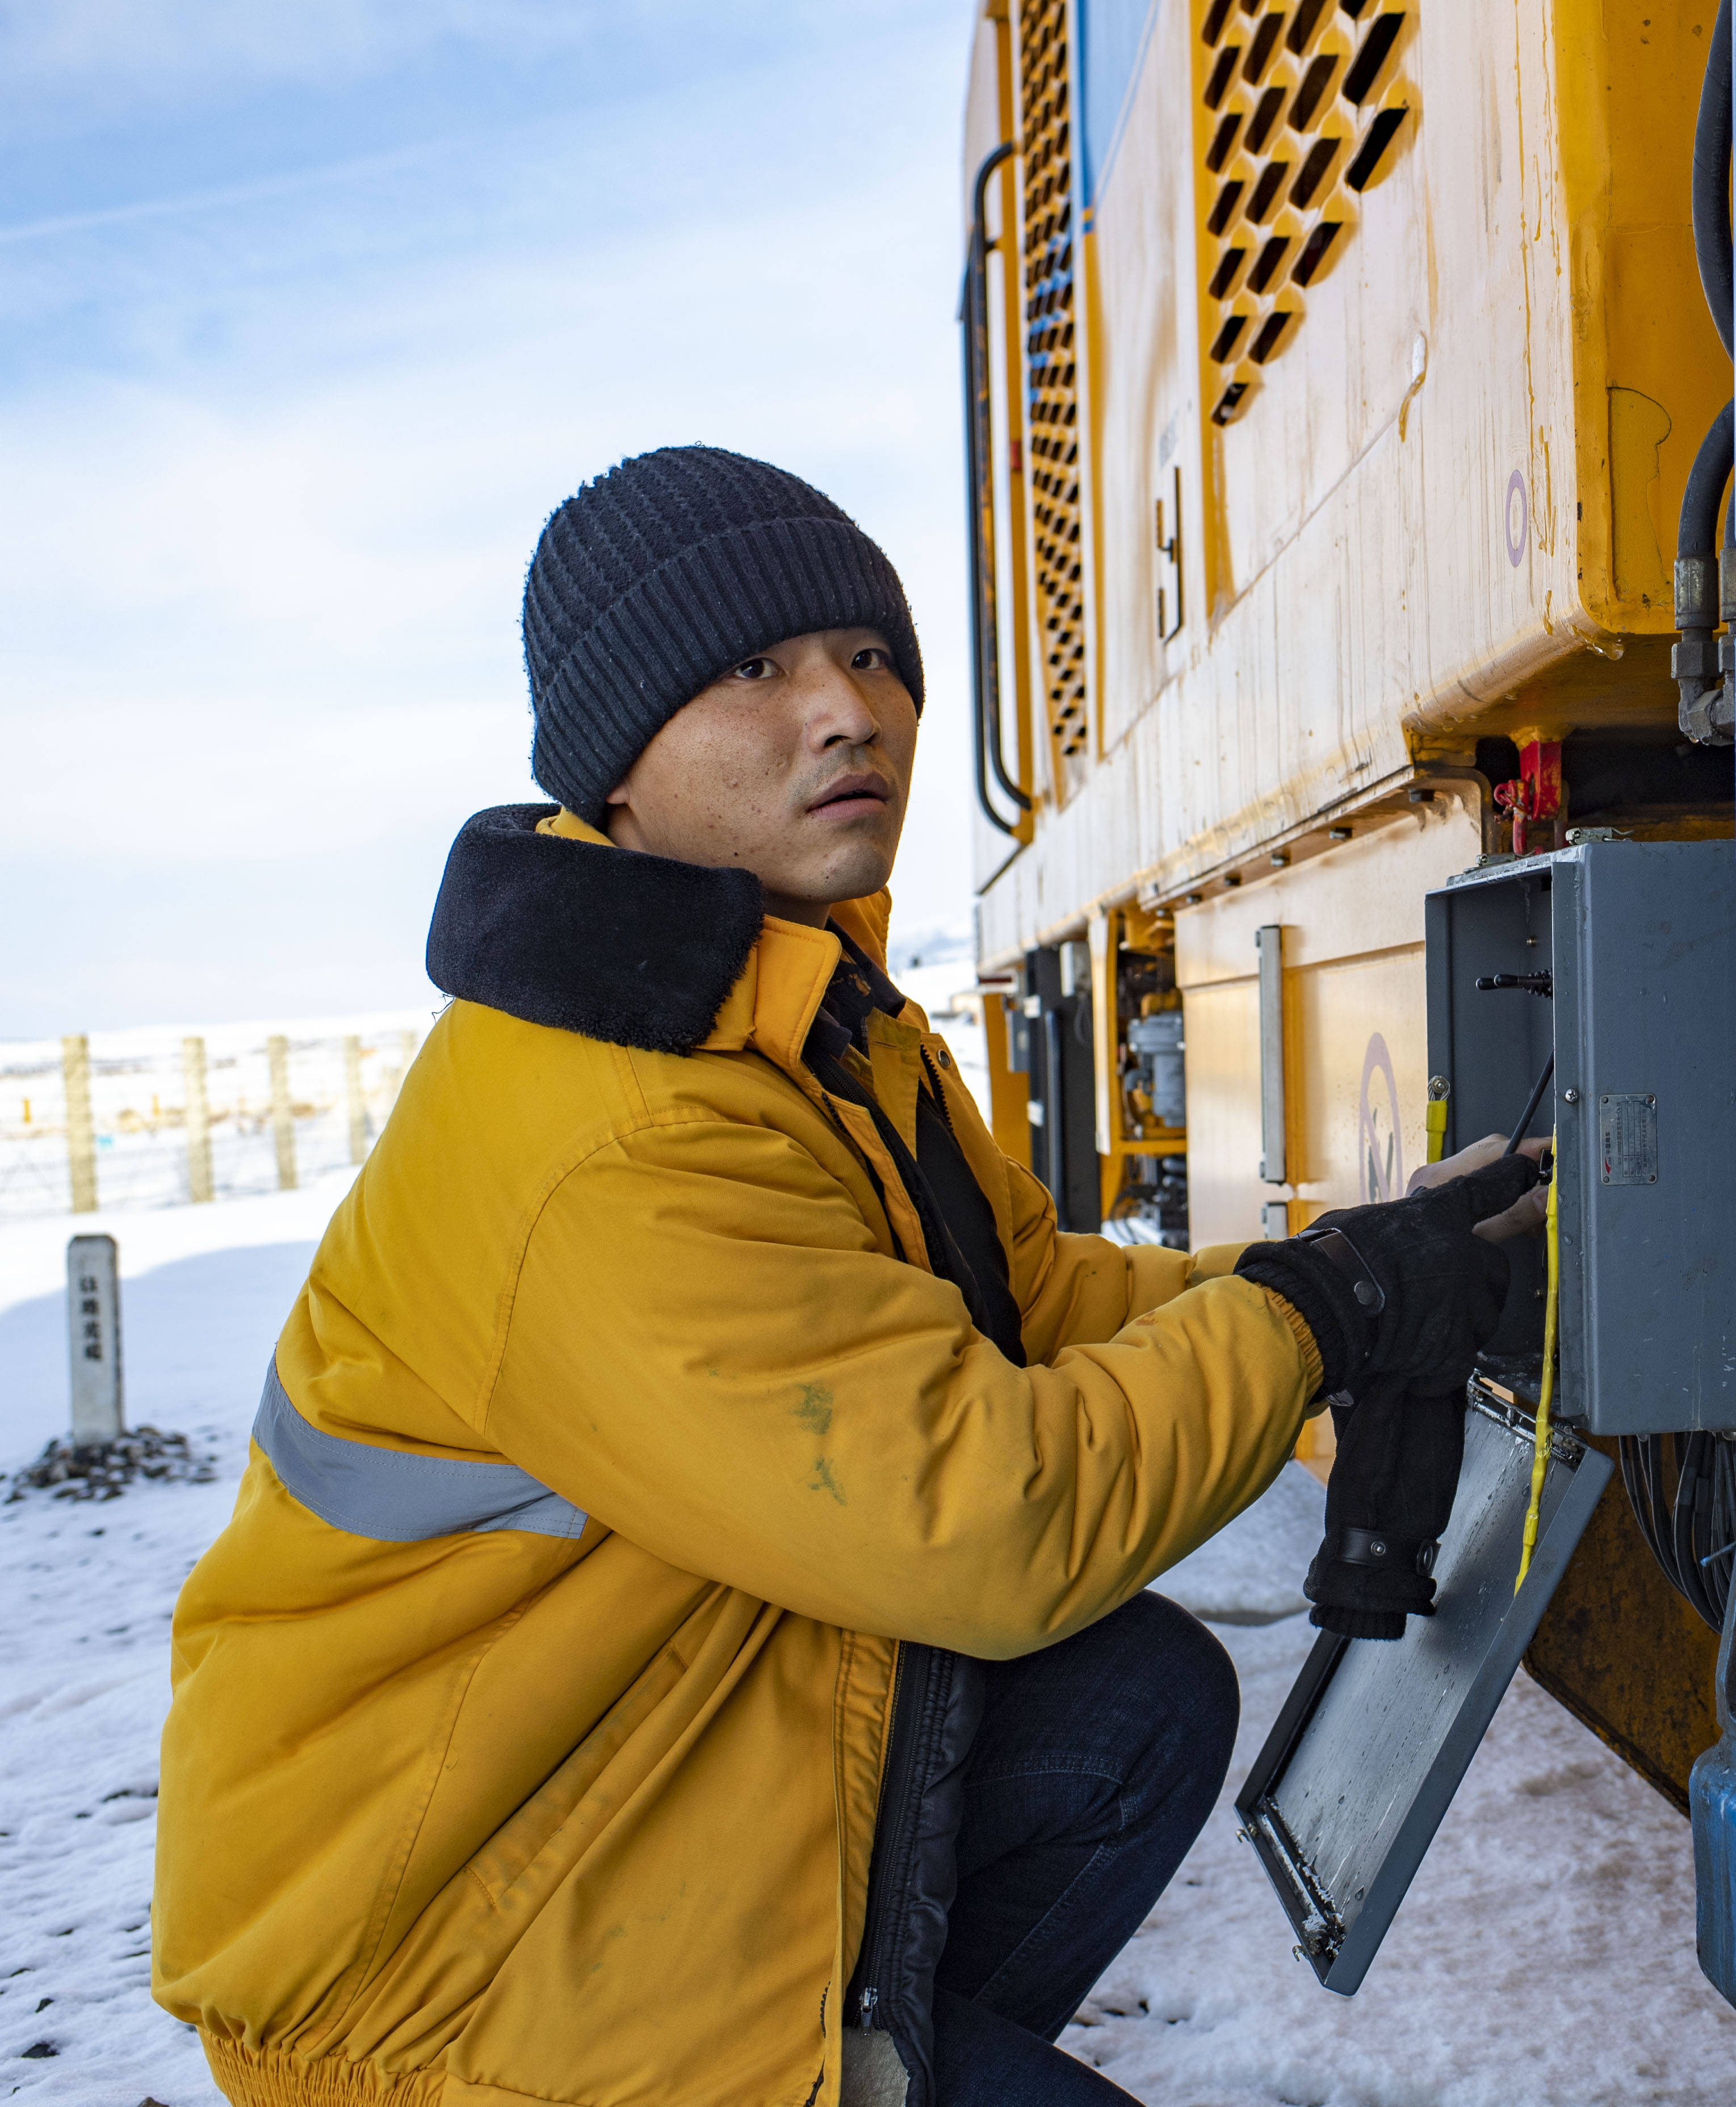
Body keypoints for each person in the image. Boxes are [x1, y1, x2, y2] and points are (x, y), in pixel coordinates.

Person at [150, 446, 1535, 2107]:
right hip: (443, 1976)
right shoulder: (611, 1130)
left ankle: (868, 2052)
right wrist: (1326, 1313)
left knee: (1140, 1701)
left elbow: (1036, 1311)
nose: (847, 709)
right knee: (1082, 1663)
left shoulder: (797, 1018)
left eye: (872, 656)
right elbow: (987, 1522)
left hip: (617, 1784)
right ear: (617, 761)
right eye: (755, 669)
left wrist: (1347, 1268)